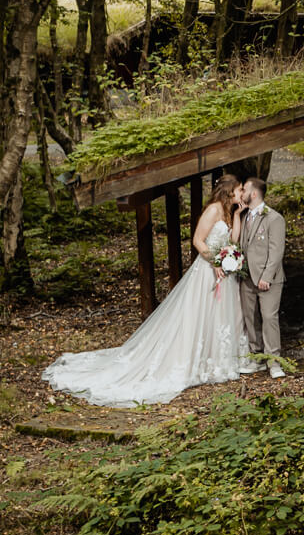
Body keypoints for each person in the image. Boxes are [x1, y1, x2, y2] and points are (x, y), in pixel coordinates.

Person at [42, 174, 252, 406]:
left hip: (223, 272)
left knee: (219, 317)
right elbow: (198, 241)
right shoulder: (213, 210)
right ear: (229, 191)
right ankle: (192, 361)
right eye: (240, 189)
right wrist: (214, 262)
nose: (242, 193)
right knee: (198, 315)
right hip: (206, 271)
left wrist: (237, 216)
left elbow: (233, 241)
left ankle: (215, 361)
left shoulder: (227, 212)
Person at [236, 176, 287, 378]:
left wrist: (266, 276)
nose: (242, 193)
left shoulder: (274, 218)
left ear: (254, 193)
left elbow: (276, 251)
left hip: (269, 279)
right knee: (250, 318)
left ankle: (274, 363)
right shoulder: (244, 216)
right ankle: (256, 358)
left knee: (269, 318)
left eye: (245, 189)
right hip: (246, 277)